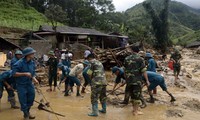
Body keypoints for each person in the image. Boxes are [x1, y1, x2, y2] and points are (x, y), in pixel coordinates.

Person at [12, 47, 39, 120]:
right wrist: (24, 74)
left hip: (29, 84)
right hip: (21, 85)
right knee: (23, 100)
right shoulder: (19, 63)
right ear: (28, 54)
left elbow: (32, 73)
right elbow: (14, 74)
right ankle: (26, 115)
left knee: (31, 98)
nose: (34, 54)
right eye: (32, 53)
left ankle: (28, 112)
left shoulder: (32, 63)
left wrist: (34, 79)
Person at [124, 46, 149, 115]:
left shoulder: (126, 58)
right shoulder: (140, 59)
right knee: (137, 96)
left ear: (132, 50)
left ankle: (134, 109)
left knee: (132, 95)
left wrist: (126, 79)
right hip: (137, 80)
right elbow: (144, 71)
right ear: (138, 51)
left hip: (129, 81)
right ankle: (136, 111)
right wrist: (147, 80)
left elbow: (124, 70)